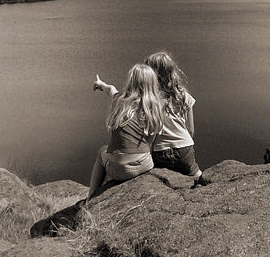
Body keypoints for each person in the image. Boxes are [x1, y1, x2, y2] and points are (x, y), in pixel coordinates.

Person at [86, 64, 166, 202]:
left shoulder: (120, 100)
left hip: (118, 169)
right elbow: (151, 141)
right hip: (142, 166)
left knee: (102, 152)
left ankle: (90, 198)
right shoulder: (154, 107)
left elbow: (111, 89)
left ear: (131, 81)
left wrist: (100, 84)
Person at [144, 50, 210, 187]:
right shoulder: (184, 96)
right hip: (184, 147)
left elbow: (151, 133)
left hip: (160, 152)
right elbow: (190, 131)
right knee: (196, 173)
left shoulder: (151, 100)